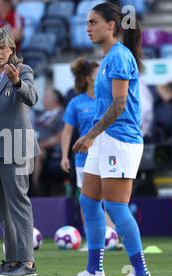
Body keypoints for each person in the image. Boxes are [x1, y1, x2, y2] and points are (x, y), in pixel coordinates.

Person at [61, 2, 153, 276]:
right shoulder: (105, 61)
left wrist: (90, 135)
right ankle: (94, 272)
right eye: (86, 23)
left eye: (93, 22)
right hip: (103, 139)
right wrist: (93, 136)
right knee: (88, 200)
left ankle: (141, 273)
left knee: (115, 206)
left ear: (111, 25)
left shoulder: (119, 57)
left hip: (120, 139)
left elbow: (119, 105)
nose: (87, 28)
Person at [0, 28, 40, 276]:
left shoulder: (23, 70)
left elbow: (32, 98)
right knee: (2, 207)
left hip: (16, 145)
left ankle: (27, 262)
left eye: (3, 48)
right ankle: (11, 260)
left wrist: (17, 82)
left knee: (18, 203)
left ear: (11, 49)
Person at [61, 57, 123, 251]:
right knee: (87, 199)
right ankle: (93, 239)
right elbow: (67, 131)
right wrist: (64, 155)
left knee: (110, 196)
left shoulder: (108, 99)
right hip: (83, 157)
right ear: (88, 78)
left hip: (108, 152)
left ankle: (111, 236)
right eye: (99, 73)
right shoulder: (76, 102)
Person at [32, 87, 65, 196]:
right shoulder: (40, 114)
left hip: (52, 150)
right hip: (33, 145)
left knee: (38, 153)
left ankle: (35, 191)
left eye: (46, 97)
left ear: (55, 101)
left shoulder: (62, 114)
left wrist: (42, 144)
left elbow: (61, 136)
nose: (42, 100)